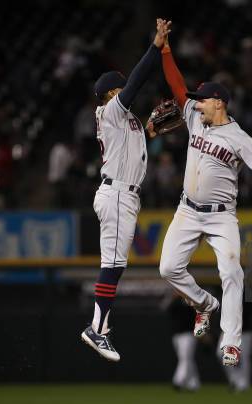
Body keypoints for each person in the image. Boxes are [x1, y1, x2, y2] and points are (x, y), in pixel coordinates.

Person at [157, 27, 252, 367]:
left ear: (219, 102)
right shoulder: (195, 117)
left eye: (204, 98)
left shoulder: (239, 137)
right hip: (187, 209)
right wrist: (165, 51)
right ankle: (204, 305)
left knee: (232, 273)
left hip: (221, 216)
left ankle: (231, 341)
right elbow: (177, 86)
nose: (197, 101)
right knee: (168, 268)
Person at [80, 19, 172, 362]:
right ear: (111, 93)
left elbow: (135, 142)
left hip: (123, 194)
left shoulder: (125, 120)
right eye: (120, 89)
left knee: (115, 263)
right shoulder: (111, 110)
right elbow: (136, 82)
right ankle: (97, 328)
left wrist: (149, 129)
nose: (125, 93)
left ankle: (98, 326)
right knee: (114, 263)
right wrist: (156, 46)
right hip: (117, 193)